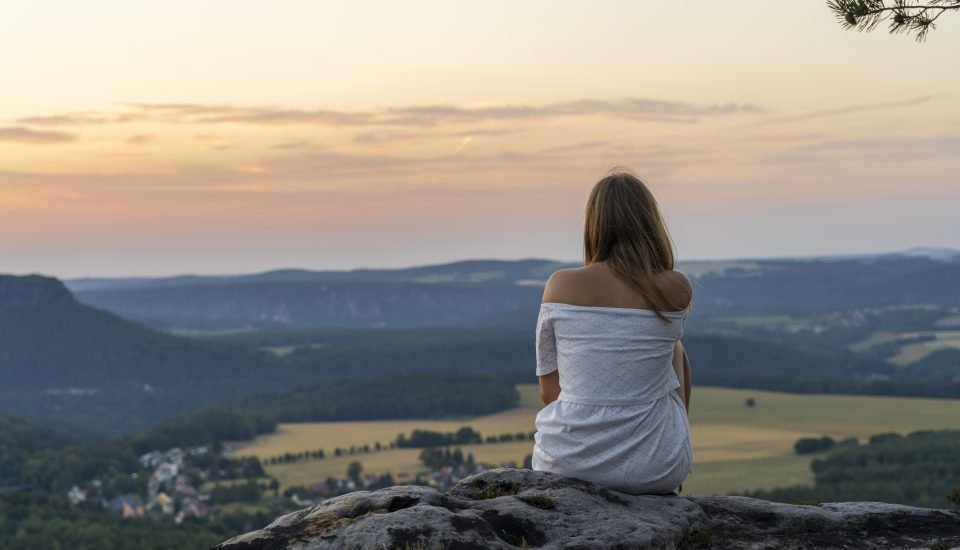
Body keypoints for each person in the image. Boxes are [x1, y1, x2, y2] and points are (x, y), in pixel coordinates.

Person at [531, 167, 693, 495]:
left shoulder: (559, 286)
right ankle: (672, 471)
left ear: (594, 225)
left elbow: (550, 393)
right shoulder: (675, 288)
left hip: (565, 463)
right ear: (650, 224)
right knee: (675, 349)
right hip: (655, 467)